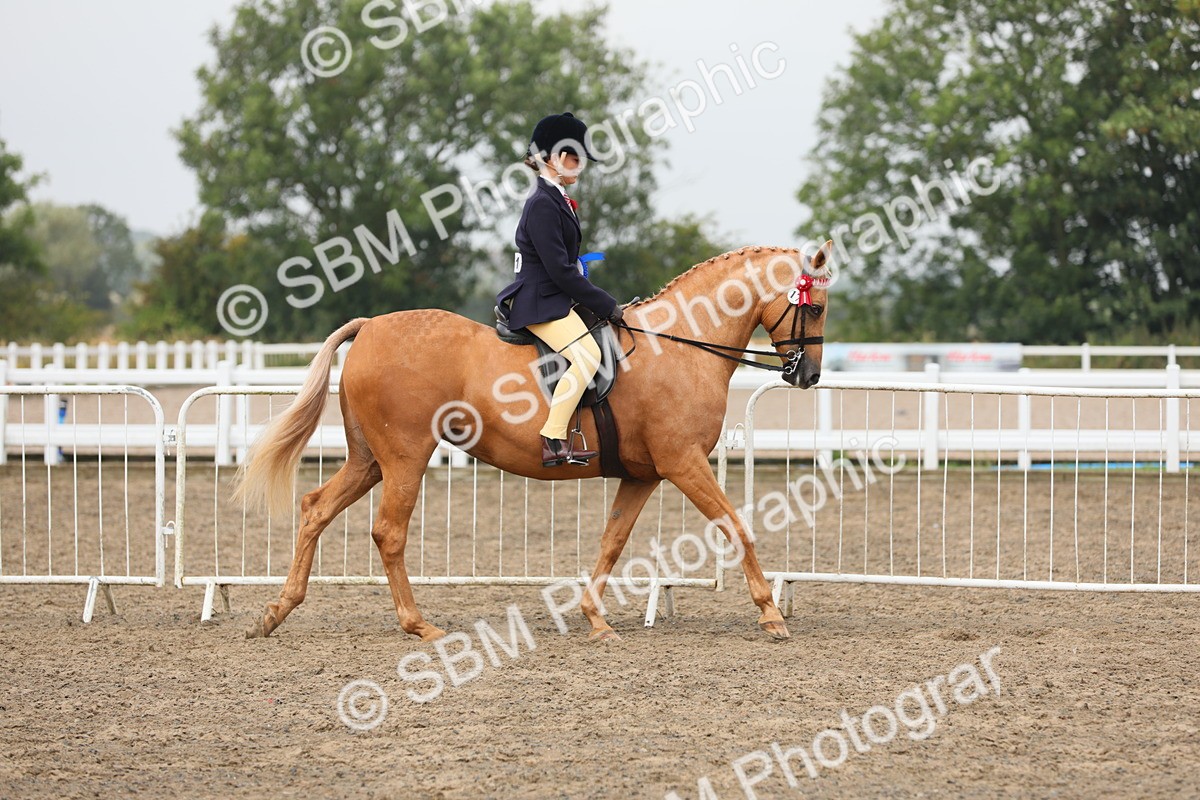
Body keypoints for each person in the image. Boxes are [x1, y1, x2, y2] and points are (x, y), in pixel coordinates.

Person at [495, 112, 624, 467]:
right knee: (588, 357)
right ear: (550, 158)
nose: (579, 165)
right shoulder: (541, 203)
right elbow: (561, 271)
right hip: (539, 301)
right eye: (573, 156)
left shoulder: (556, 198)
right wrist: (606, 302)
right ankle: (553, 438)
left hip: (553, 297)